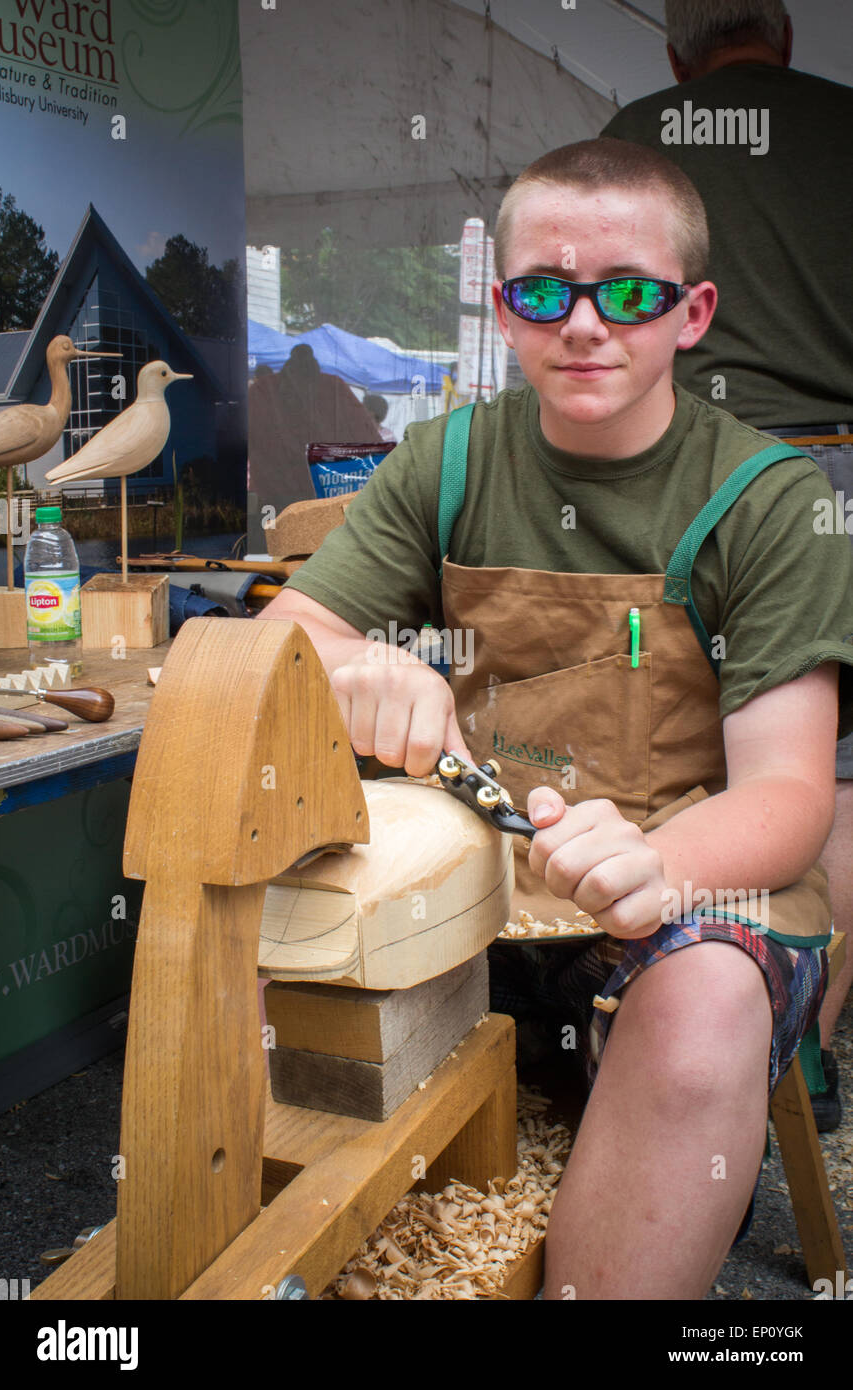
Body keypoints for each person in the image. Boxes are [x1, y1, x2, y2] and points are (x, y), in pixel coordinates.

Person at [259, 137, 853, 1299]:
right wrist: (350, 670)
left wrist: (656, 860)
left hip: (690, 882)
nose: (583, 324)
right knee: (276, 923)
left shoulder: (769, 499)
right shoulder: (444, 462)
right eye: (545, 291)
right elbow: (278, 646)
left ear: (691, 313)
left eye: (627, 292)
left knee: (700, 1000)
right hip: (485, 872)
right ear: (504, 309)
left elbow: (786, 793)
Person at [602, 0, 853, 1130]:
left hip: (678, 470)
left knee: (665, 735)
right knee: (828, 771)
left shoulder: (637, 130)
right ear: (785, 37)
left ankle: (674, 1002)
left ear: (674, 53)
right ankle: (807, 1042)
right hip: (836, 475)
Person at [248, 344, 382, 513]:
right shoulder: (334, 388)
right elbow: (371, 443)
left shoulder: (262, 390)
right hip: (299, 500)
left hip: (296, 501)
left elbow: (371, 447)